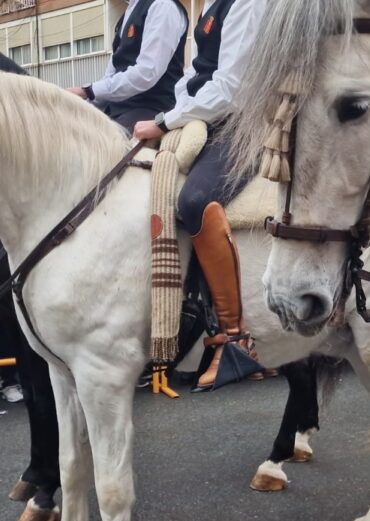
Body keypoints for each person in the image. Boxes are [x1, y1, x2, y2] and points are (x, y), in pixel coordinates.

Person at [132, 0, 265, 391]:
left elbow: (230, 86)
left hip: (244, 125)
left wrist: (164, 120)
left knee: (194, 200)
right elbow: (192, 75)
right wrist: (177, 114)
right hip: (206, 121)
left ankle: (237, 339)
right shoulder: (210, 5)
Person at [68, 0, 188, 132]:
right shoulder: (128, 13)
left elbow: (147, 72)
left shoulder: (163, 6)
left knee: (108, 147)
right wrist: (80, 106)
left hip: (152, 107)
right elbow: (110, 74)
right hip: (120, 110)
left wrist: (88, 91)